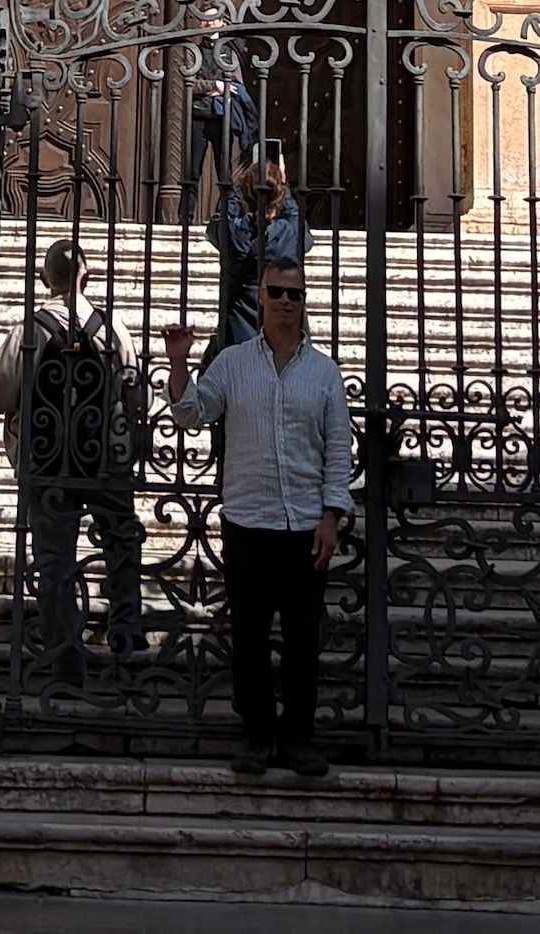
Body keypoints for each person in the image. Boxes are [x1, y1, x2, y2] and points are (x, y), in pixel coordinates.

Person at [184, 259, 353, 783]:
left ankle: (298, 738)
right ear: (260, 298)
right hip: (248, 521)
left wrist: (332, 514)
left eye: (294, 294)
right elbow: (193, 414)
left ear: (306, 302)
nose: (285, 302)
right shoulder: (233, 364)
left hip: (305, 525)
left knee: (304, 638)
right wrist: (175, 365)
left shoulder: (325, 373)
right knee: (250, 636)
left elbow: (338, 450)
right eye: (276, 293)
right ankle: (257, 735)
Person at [0, 243, 144, 680]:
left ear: (45, 280)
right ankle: (126, 632)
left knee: (54, 556)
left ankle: (64, 652)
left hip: (47, 459)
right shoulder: (111, 326)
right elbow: (135, 392)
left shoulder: (29, 329)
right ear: (87, 276)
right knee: (120, 539)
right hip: (103, 459)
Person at [209, 152, 301, 355]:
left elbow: (215, 224)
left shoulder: (235, 233)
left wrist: (236, 192)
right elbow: (300, 226)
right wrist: (283, 187)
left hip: (238, 333)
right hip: (284, 338)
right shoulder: (290, 233)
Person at [177, 7, 260, 219]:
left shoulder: (229, 53)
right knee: (192, 173)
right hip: (198, 116)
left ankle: (227, 217)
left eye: (214, 18)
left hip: (222, 118)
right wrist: (215, 85)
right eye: (206, 18)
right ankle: (184, 220)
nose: (210, 22)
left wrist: (218, 88)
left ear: (222, 23)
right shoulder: (193, 52)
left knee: (225, 173)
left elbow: (235, 85)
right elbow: (189, 83)